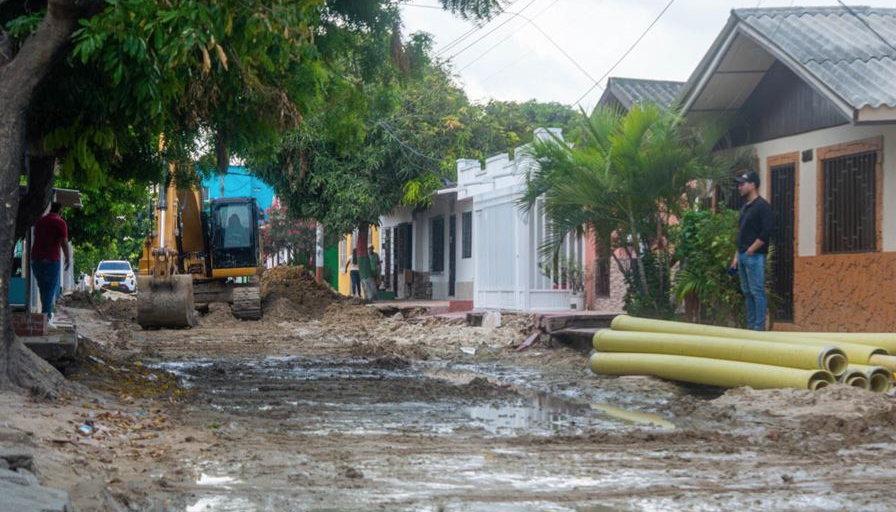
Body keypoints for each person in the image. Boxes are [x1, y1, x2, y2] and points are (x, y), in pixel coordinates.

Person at [729, 170, 774, 331]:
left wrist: (751, 250)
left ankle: (758, 328)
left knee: (757, 292)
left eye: (743, 183)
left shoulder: (763, 206)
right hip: (742, 255)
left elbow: (766, 231)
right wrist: (736, 257)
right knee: (747, 292)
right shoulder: (745, 207)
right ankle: (750, 326)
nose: (739, 187)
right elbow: (741, 233)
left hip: (754, 256)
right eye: (739, 184)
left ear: (753, 185)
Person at [31, 202, 70, 323]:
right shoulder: (60, 222)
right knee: (49, 289)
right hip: (51, 259)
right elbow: (63, 241)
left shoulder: (40, 221)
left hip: (36, 259)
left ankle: (45, 315)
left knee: (43, 288)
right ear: (61, 212)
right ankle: (46, 318)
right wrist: (68, 258)